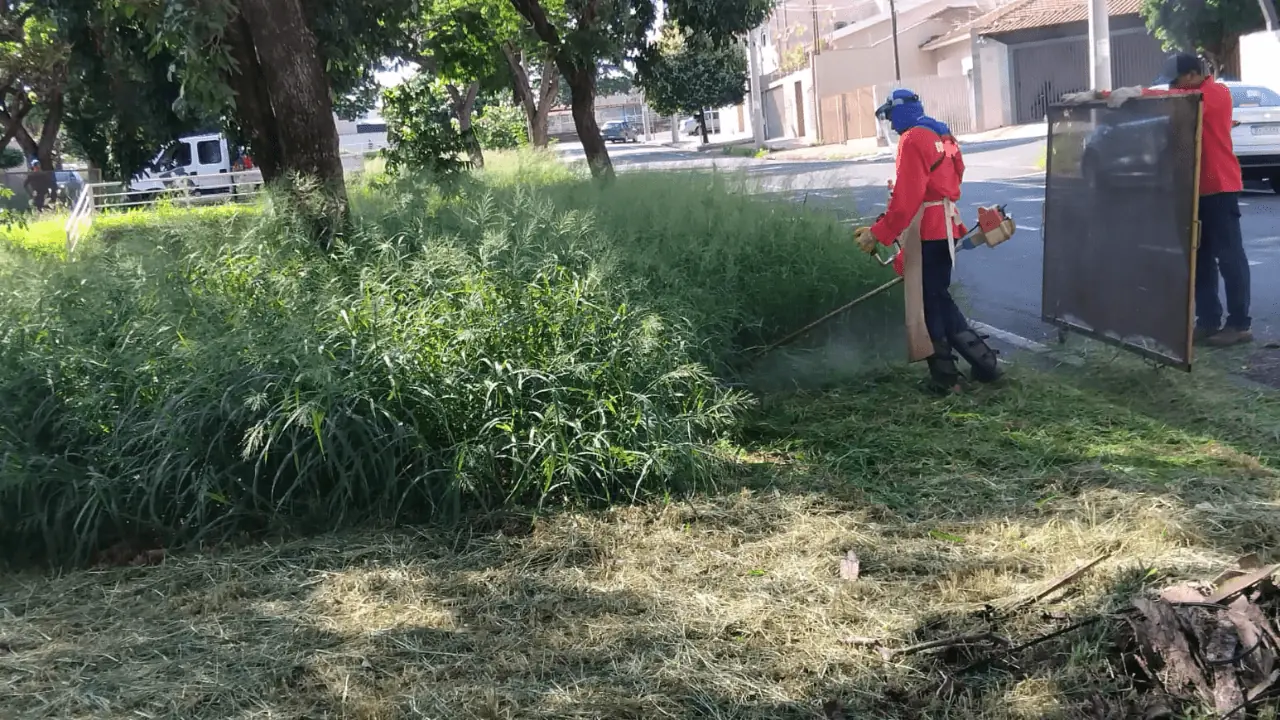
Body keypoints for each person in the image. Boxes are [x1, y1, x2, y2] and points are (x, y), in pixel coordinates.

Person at [1066, 53, 1251, 346]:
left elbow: (1177, 99)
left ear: (1193, 75)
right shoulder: (1186, 95)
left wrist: (1136, 92)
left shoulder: (1215, 94)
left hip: (1219, 187)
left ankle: (1239, 324)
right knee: (1199, 258)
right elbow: (1162, 100)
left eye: (1177, 81)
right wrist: (1102, 95)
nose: (1174, 87)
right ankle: (1208, 320)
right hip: (1191, 189)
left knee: (1230, 257)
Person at [854, 89, 1002, 392]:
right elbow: (956, 173)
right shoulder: (942, 133)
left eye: (891, 117)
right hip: (947, 224)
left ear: (900, 112)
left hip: (927, 230)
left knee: (929, 304)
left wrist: (877, 233)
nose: (891, 125)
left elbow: (906, 199)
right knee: (938, 297)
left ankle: (946, 379)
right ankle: (986, 365)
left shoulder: (912, 139)